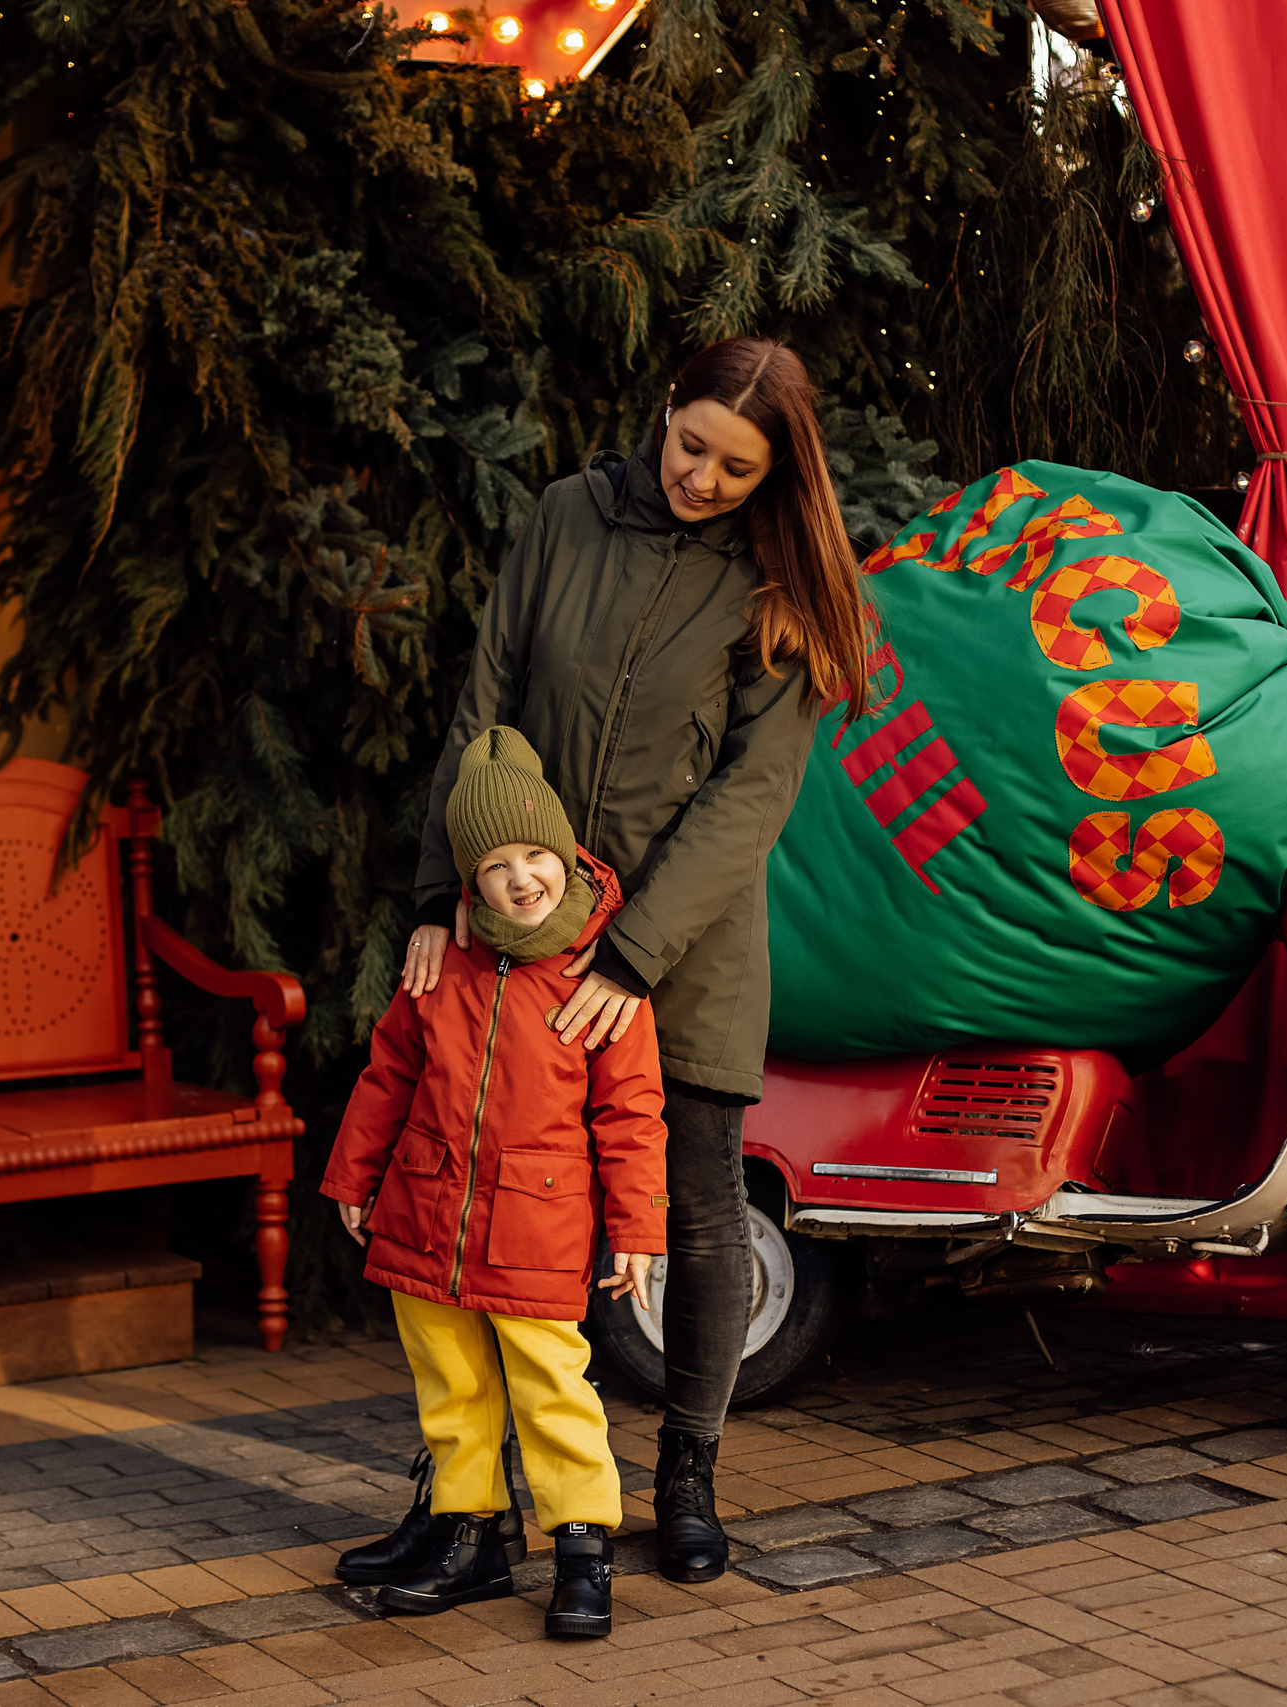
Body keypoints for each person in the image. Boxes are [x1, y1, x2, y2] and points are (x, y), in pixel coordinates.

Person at [403, 337, 873, 1582]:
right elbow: (486, 699)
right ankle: (465, 1501)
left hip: (687, 947)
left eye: (735, 467)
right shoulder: (566, 516)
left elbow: (751, 795)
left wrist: (635, 952)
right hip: (517, 924)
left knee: (704, 1215)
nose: (701, 479)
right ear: (662, 410)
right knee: (479, 1198)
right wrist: (441, 887)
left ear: (775, 476)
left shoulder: (776, 585)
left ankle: (688, 1477)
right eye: (690, 447)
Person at [320, 727, 667, 1638]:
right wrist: (354, 1172)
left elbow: (631, 1116)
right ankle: (467, 1533)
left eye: (536, 855)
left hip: (536, 1224)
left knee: (553, 1385)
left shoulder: (599, 976)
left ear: (565, 855)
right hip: (426, 1211)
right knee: (451, 1383)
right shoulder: (445, 963)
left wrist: (636, 1229)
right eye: (497, 864)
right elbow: (389, 1070)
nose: (522, 878)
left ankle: (583, 1546)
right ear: (470, 883)